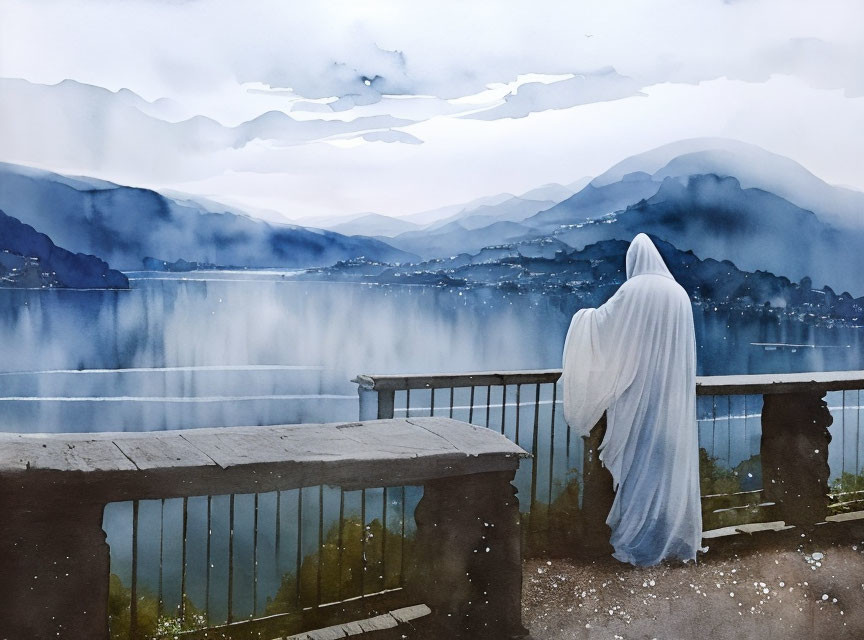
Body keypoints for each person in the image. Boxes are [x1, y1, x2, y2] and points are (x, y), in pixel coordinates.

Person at [560, 233, 701, 566]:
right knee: (662, 467)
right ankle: (664, 539)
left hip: (637, 399)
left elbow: (605, 328)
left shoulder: (634, 290)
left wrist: (581, 318)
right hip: (670, 400)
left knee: (637, 469)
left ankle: (636, 538)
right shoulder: (679, 294)